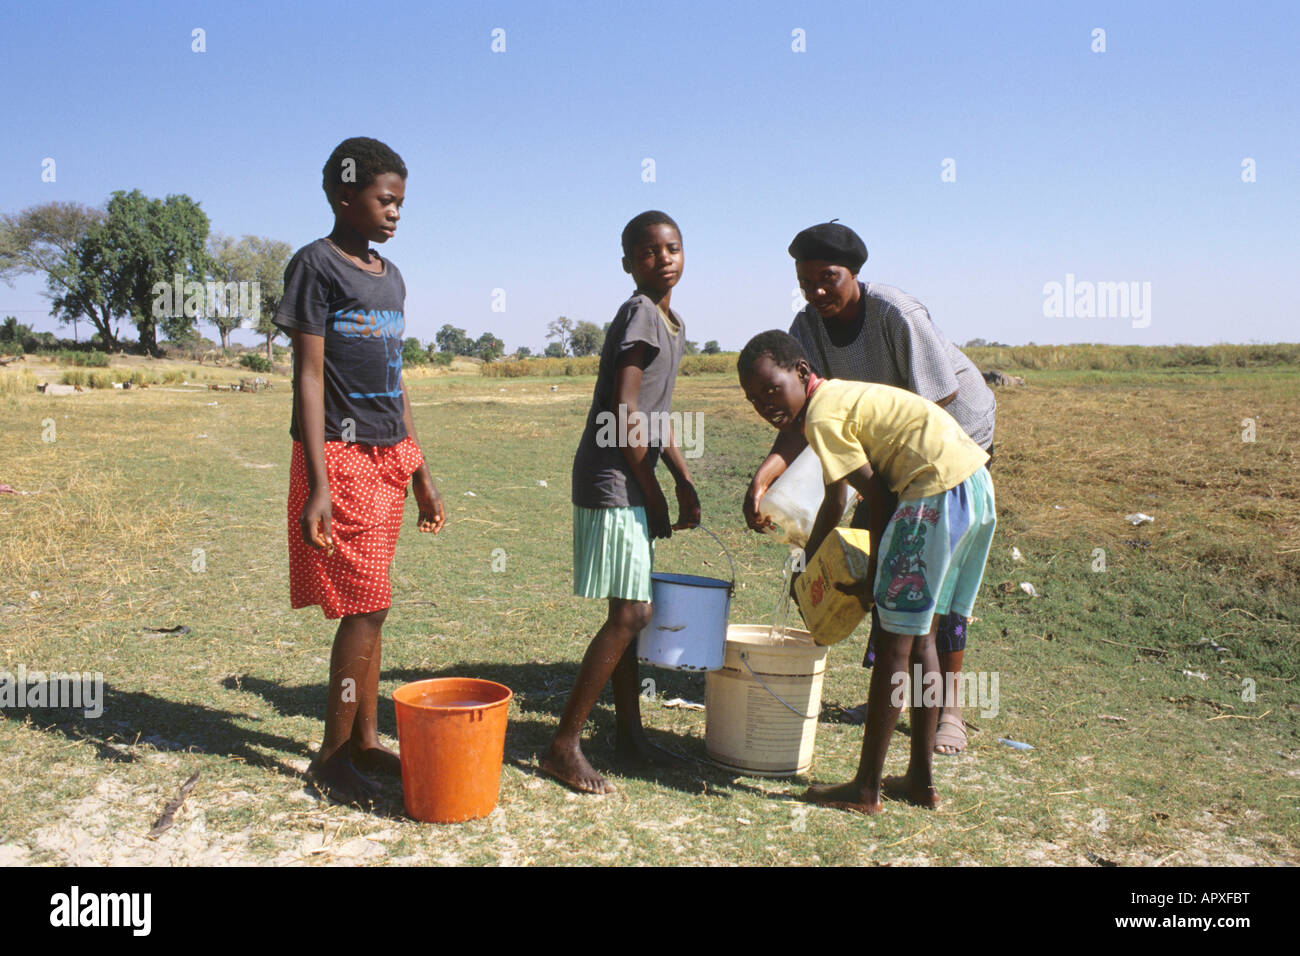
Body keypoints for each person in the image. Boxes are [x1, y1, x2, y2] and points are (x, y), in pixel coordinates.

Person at [744, 222, 995, 755]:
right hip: (886, 450)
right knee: (888, 575)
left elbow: (935, 407)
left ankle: (948, 712)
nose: (816, 292)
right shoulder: (806, 329)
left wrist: (881, 491)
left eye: (827, 278)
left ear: (854, 273)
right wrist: (765, 477)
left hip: (946, 442)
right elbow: (800, 411)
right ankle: (892, 697)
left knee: (927, 581)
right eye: (805, 280)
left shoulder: (894, 313)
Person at [273, 136, 445, 806]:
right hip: (338, 459)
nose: (396, 212)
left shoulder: (391, 276)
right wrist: (317, 483)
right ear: (344, 195)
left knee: (375, 607)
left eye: (401, 202)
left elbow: (396, 379)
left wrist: (419, 467)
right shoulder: (316, 267)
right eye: (385, 199)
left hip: (387, 453)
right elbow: (309, 378)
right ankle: (332, 756)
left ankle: (366, 741)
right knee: (364, 605)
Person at [540, 210, 701, 795]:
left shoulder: (671, 321)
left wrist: (680, 477)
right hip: (614, 478)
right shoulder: (639, 313)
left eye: (673, 248)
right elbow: (624, 411)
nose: (664, 259)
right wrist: (656, 491)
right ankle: (563, 745)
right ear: (629, 262)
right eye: (650, 251)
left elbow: (658, 418)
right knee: (631, 614)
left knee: (627, 612)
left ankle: (629, 736)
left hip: (633, 475)